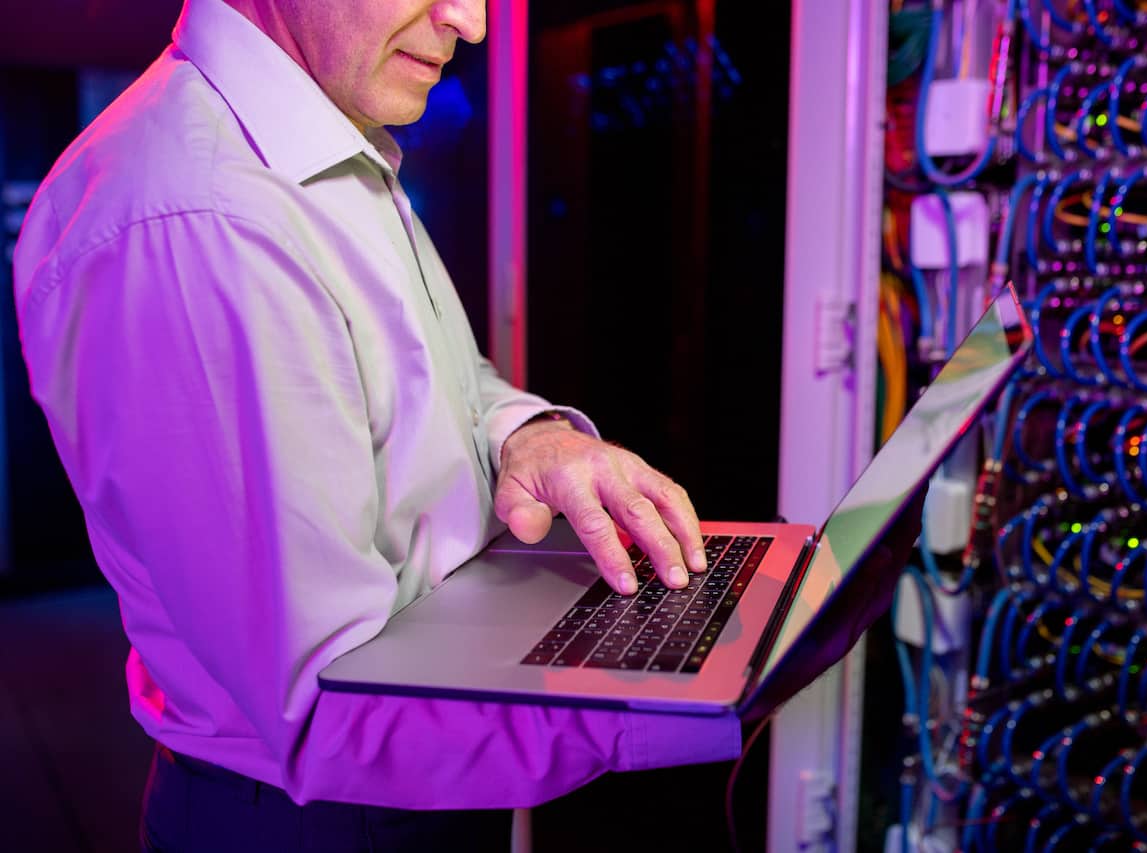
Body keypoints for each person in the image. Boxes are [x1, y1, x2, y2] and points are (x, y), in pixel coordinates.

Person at [13, 0, 920, 850]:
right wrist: (694, 691)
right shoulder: (200, 218)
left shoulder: (319, 143)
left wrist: (531, 436)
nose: (474, 22)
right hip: (318, 820)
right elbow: (327, 708)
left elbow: (440, 380)